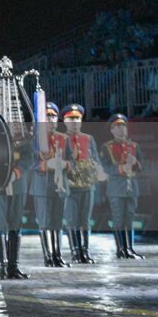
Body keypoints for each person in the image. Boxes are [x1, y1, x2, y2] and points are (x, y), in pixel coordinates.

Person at [0, 105, 33, 280]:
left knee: (15, 223)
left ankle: (13, 266)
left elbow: (29, 157)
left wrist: (16, 173)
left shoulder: (24, 139)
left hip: (18, 185)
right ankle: (1, 266)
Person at [29, 101, 71, 268]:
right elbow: (30, 162)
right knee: (45, 222)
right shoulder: (35, 139)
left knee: (57, 222)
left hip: (60, 185)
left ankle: (57, 255)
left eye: (53, 115)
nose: (51, 118)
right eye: (47, 116)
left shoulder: (64, 138)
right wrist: (46, 165)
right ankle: (48, 257)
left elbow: (72, 161)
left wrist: (65, 164)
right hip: (42, 185)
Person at [61, 103, 102, 264]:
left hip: (87, 185)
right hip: (69, 185)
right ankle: (75, 252)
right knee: (72, 220)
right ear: (64, 120)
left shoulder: (88, 139)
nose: (75, 121)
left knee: (85, 220)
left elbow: (95, 160)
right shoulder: (60, 139)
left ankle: (85, 250)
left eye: (77, 118)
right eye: (71, 118)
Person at [103, 113, 144, 259]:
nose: (121, 129)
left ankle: (130, 248)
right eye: (117, 126)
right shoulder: (107, 147)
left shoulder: (134, 146)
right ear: (112, 130)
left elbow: (141, 167)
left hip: (132, 187)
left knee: (129, 219)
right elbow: (106, 167)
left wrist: (135, 163)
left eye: (123, 126)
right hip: (116, 188)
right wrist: (120, 169)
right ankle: (121, 249)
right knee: (118, 219)